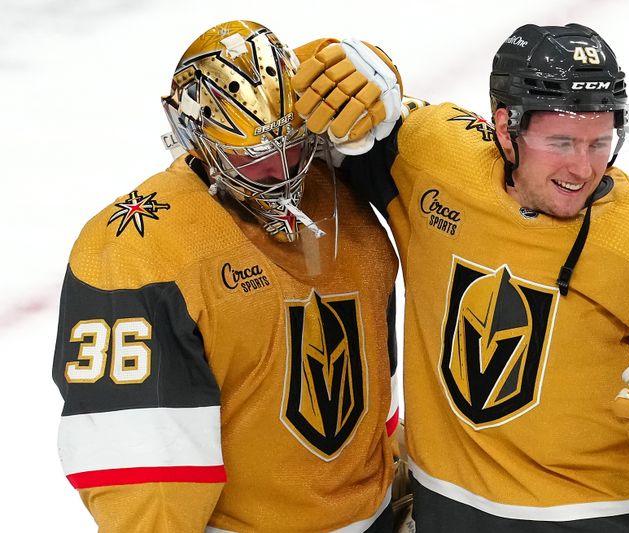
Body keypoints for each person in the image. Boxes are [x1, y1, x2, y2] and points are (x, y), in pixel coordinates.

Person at [292, 23, 629, 531]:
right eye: (561, 141)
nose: (582, 168)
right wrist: (351, 67)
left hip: (610, 517)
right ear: (506, 129)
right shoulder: (432, 163)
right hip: (449, 509)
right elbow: (346, 110)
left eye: (600, 143)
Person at [52, 20, 401, 532]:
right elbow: (148, 473)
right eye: (254, 156)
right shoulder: (137, 253)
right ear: (196, 139)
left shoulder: (348, 194)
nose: (283, 171)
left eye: (294, 145)